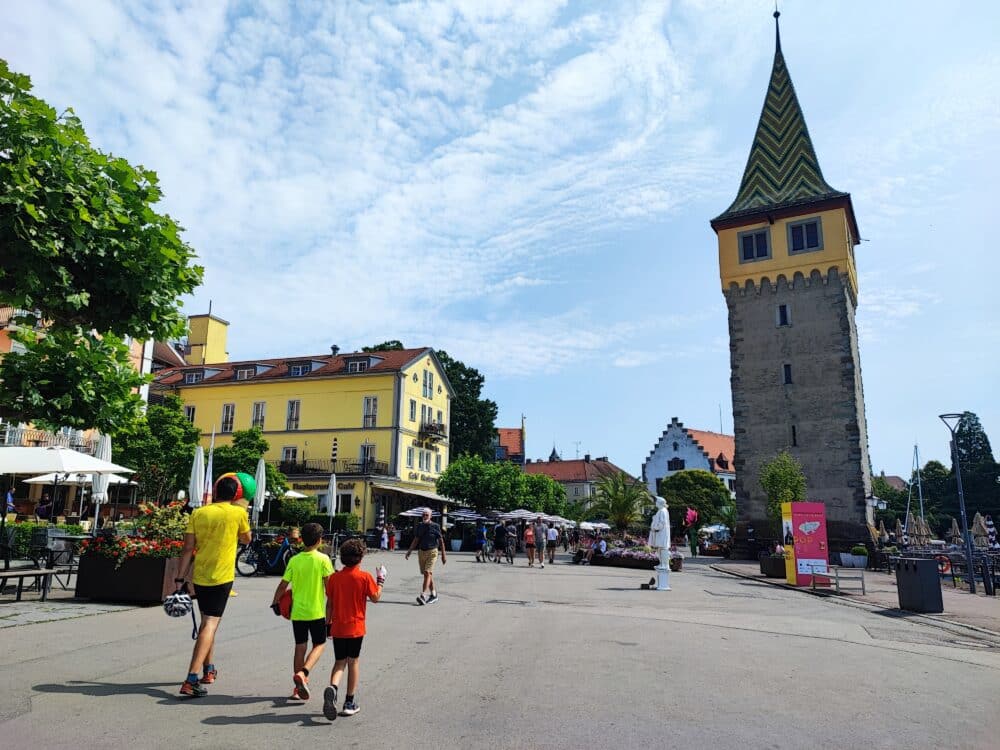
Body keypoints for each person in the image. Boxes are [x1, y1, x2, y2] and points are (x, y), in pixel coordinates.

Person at [176, 472, 253, 697]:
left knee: (207, 623)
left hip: (199, 576)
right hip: (221, 578)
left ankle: (209, 670)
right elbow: (247, 539)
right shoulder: (238, 513)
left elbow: (188, 548)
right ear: (237, 494)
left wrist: (180, 577)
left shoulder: (198, 513)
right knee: (210, 624)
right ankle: (191, 678)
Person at [270, 522, 333, 701]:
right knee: (319, 644)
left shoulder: (294, 560)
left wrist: (275, 603)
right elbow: (330, 590)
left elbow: (283, 585)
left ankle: (297, 689)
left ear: (301, 540)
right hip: (316, 612)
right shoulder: (323, 559)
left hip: (297, 612)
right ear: (320, 540)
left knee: (300, 647)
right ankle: (304, 673)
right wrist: (332, 614)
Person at [323, 539, 385, 720]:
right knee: (353, 662)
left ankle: (333, 688)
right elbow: (375, 598)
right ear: (361, 558)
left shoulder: (334, 578)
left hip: (338, 626)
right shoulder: (364, 577)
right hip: (356, 627)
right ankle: (349, 702)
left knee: (339, 662)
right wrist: (380, 579)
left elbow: (330, 604)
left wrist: (328, 624)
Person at [405, 509, 446, 605]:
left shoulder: (436, 526)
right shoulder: (420, 526)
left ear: (431, 516)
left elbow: (441, 541)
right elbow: (416, 539)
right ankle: (434, 595)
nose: (424, 516)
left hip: (432, 552)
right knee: (427, 575)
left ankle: (423, 595)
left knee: (427, 572)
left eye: (427, 515)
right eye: (423, 515)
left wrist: (443, 555)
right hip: (421, 552)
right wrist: (409, 551)